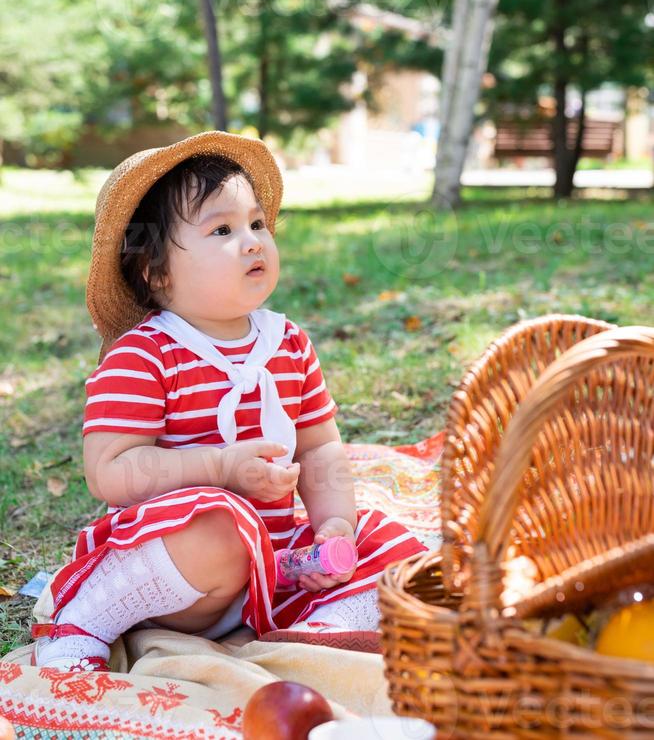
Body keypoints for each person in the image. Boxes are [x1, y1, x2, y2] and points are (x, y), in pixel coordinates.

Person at [32, 131, 427, 671]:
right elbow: (110, 472)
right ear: (156, 271)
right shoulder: (145, 355)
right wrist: (220, 467)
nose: (252, 241)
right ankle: (88, 617)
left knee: (389, 547)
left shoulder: (288, 344)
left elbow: (319, 449)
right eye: (223, 229)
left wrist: (333, 523)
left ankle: (315, 629)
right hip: (178, 571)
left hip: (275, 565)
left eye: (258, 224)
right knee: (222, 529)